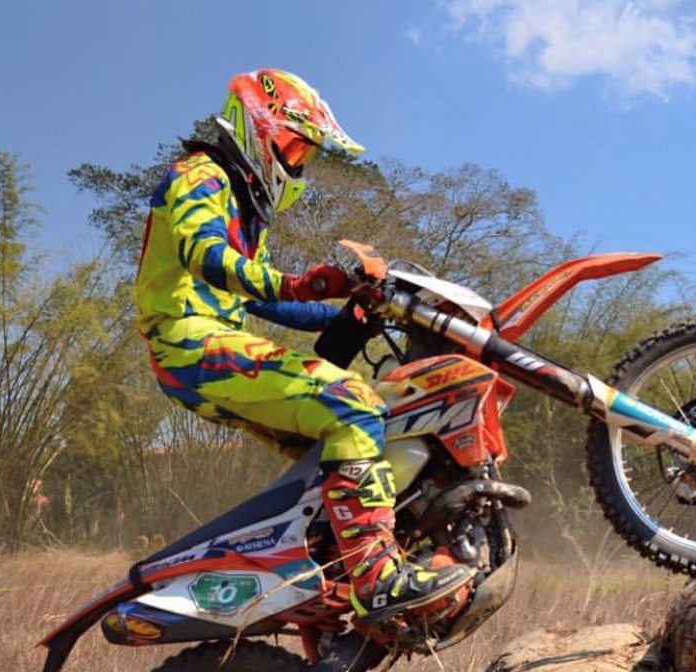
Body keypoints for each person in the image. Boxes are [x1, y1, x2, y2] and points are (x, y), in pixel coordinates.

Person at [134, 68, 471, 629]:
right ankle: (376, 578)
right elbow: (205, 256)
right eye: (292, 145)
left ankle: (330, 588)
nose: (297, 162)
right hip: (188, 343)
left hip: (212, 346)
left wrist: (353, 310)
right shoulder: (200, 174)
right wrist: (299, 282)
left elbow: (263, 299)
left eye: (303, 151)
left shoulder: (243, 209)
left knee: (345, 453)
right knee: (352, 404)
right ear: (257, 129)